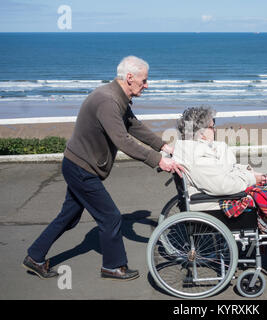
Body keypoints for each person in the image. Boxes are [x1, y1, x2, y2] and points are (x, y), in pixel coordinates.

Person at [22, 56, 183, 281]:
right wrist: (159, 160)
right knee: (111, 218)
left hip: (78, 164)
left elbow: (133, 125)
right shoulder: (108, 101)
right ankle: (113, 266)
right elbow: (123, 140)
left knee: (68, 217)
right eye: (144, 80)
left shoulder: (116, 96)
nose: (147, 85)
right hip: (81, 168)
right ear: (129, 78)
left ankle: (35, 256)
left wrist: (164, 146)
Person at [172, 106, 267, 265]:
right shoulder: (196, 156)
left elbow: (225, 171)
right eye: (212, 127)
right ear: (200, 131)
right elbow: (222, 186)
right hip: (213, 203)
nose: (215, 130)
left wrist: (250, 173)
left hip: (215, 196)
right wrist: (251, 178)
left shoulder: (196, 149)